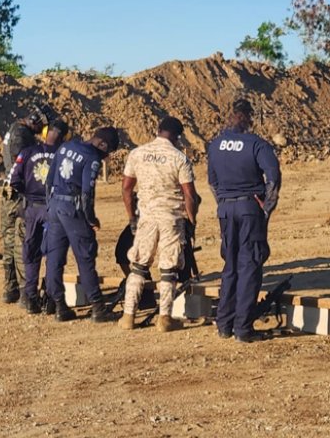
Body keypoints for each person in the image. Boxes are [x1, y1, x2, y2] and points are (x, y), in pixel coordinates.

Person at [207, 99, 280, 343]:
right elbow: (273, 179)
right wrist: (266, 209)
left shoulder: (215, 145)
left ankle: (224, 325)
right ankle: (243, 328)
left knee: (230, 267)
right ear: (249, 118)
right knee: (249, 266)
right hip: (250, 208)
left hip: (226, 210)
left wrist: (224, 203)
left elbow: (212, 182)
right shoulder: (257, 144)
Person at [118, 116, 198, 332]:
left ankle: (128, 316)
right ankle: (164, 318)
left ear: (158, 129)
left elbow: (126, 189)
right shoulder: (179, 158)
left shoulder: (137, 154)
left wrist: (131, 218)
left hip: (146, 218)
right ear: (178, 136)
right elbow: (189, 194)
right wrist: (192, 221)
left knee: (138, 266)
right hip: (171, 219)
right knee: (168, 269)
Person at [43, 126, 121, 323]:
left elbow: (49, 180)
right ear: (102, 144)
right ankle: (97, 307)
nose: (105, 157)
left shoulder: (65, 146)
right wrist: (91, 218)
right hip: (73, 208)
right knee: (85, 257)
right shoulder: (91, 158)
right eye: (108, 152)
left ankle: (59, 305)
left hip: (54, 205)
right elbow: (87, 193)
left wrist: (50, 206)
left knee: (54, 257)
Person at [8, 119, 70, 314]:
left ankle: (31, 299)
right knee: (54, 255)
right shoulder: (64, 156)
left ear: (45, 133)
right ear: (63, 138)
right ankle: (54, 301)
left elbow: (14, 180)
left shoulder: (27, 152)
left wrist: (27, 196)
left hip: (32, 209)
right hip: (54, 209)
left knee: (31, 255)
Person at [0, 104, 57, 303]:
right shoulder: (22, 135)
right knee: (23, 240)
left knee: (8, 240)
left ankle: (10, 288)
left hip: (9, 191)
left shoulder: (15, 129)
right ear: (36, 120)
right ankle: (25, 290)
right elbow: (23, 164)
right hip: (19, 194)